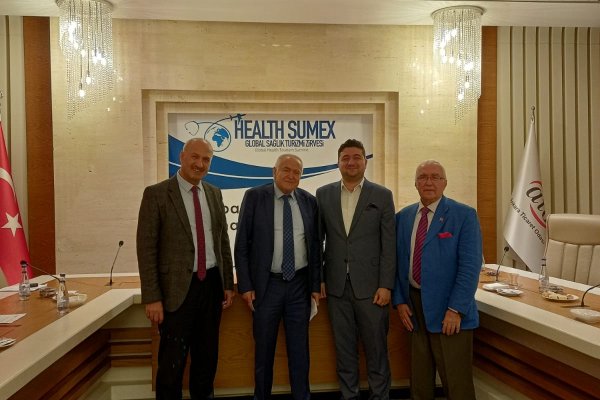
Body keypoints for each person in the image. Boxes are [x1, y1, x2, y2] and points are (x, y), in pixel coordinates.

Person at [136, 138, 235, 400]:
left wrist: (227, 283)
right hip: (176, 292)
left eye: (206, 159)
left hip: (211, 287)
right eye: (195, 157)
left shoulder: (214, 193)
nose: (200, 164)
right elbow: (146, 249)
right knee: (171, 365)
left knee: (207, 361)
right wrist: (152, 297)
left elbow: (222, 241)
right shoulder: (156, 194)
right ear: (181, 157)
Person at [392, 160, 482, 400]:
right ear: (415, 183)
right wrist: (400, 301)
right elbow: (396, 263)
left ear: (445, 183)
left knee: (456, 383)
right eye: (422, 177)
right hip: (414, 309)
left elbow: (470, 267)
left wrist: (456, 309)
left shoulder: (464, 215)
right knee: (419, 382)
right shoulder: (403, 217)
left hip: (449, 311)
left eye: (435, 177)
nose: (428, 182)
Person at [235, 154, 321, 400]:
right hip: (266, 287)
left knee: (300, 352)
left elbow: (315, 247)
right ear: (274, 172)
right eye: (286, 169)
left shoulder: (309, 201)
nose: (291, 175)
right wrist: (246, 286)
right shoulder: (254, 197)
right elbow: (241, 245)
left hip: (299, 286)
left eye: (296, 172)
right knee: (263, 351)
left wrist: (315, 285)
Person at [316, 139, 396, 400]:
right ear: (338, 163)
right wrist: (319, 279)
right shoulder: (323, 194)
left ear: (365, 161)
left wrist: (386, 284)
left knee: (377, 351)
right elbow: (317, 241)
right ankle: (349, 396)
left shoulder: (382, 195)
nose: (351, 162)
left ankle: (380, 397)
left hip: (373, 289)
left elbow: (389, 244)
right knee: (344, 351)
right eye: (345, 158)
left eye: (357, 157)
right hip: (336, 287)